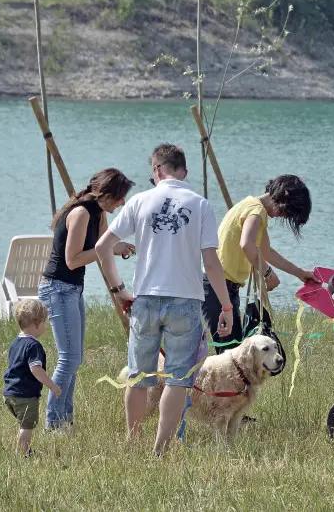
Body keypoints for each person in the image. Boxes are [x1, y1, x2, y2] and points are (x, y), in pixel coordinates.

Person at [95, 143, 233, 457]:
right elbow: (211, 262)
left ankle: (132, 442)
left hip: (145, 299)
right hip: (185, 301)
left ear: (157, 170)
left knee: (139, 375)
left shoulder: (140, 201)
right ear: (183, 171)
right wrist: (225, 306)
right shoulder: (201, 205)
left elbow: (103, 247)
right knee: (178, 379)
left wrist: (119, 290)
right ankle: (161, 450)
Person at [39, 168, 136, 433]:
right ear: (106, 194)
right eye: (120, 198)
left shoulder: (99, 213)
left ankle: (65, 420)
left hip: (72, 289)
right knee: (68, 359)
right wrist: (108, 249)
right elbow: (73, 260)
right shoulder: (81, 213)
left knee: (75, 358)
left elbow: (102, 255)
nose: (123, 203)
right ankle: (54, 424)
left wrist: (121, 287)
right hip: (57, 287)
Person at [202, 174, 318, 354]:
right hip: (218, 286)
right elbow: (247, 244)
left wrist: (300, 273)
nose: (283, 216)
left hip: (223, 287)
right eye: (287, 212)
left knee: (233, 354)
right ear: (284, 200)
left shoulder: (252, 206)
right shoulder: (257, 212)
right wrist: (267, 274)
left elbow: (266, 252)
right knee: (230, 357)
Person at [2, 299, 61, 456]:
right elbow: (36, 369)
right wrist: (52, 386)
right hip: (25, 395)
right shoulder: (34, 345)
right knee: (27, 426)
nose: (45, 326)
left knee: (23, 424)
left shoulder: (16, 343)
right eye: (44, 322)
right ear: (37, 323)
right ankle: (22, 453)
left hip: (10, 393)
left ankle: (24, 449)